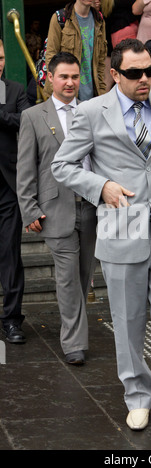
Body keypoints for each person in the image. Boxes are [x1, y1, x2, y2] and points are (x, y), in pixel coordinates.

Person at [51, 38, 151, 433]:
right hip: (121, 228)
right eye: (134, 73)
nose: (145, 79)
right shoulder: (92, 112)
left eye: (149, 71)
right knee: (127, 322)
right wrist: (101, 186)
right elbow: (63, 164)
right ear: (114, 74)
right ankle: (138, 397)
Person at [17, 52, 97, 365]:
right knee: (67, 277)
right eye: (63, 76)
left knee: (83, 274)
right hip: (55, 207)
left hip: (91, 207)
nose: (69, 82)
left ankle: (76, 328)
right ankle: (74, 341)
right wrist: (29, 209)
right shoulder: (34, 116)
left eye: (75, 77)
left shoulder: (92, 112)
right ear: (50, 78)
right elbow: (26, 169)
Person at [0, 39, 30, 343]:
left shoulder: (14, 91)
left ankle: (11, 319)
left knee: (10, 254)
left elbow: (27, 120)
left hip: (8, 187)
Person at [44, 0, 107, 100]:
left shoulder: (99, 19)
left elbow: (100, 61)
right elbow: (51, 55)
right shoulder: (60, 18)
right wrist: (55, 91)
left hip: (93, 95)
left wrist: (102, 91)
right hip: (65, 94)